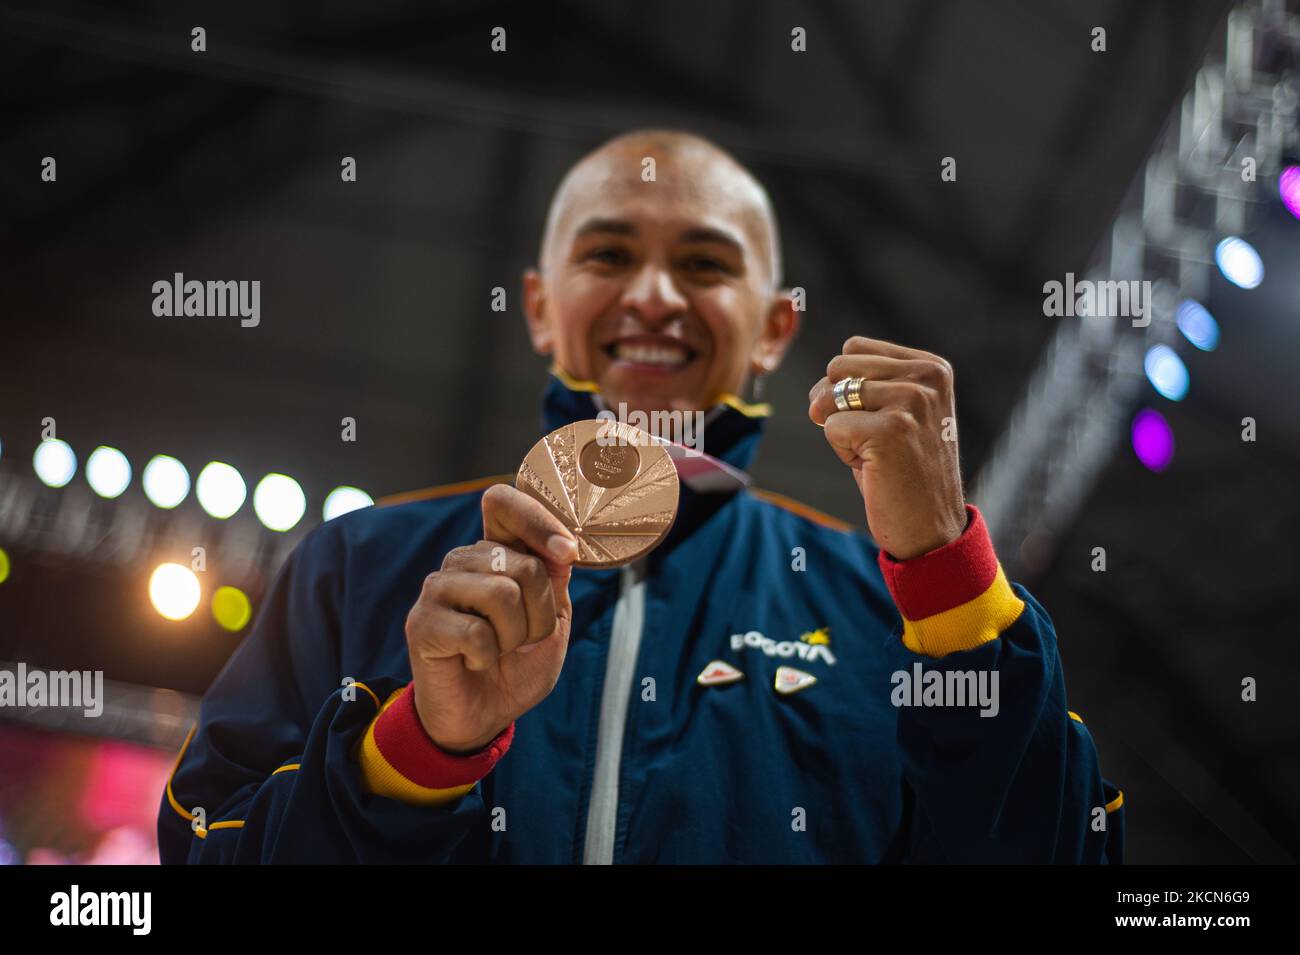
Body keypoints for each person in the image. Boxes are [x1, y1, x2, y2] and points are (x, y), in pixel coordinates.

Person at [158, 129, 1124, 863]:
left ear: (775, 328)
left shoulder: (889, 607)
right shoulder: (359, 564)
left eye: (705, 263)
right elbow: (201, 846)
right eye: (609, 255)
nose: (654, 294)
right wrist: (419, 750)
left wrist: (949, 577)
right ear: (540, 307)